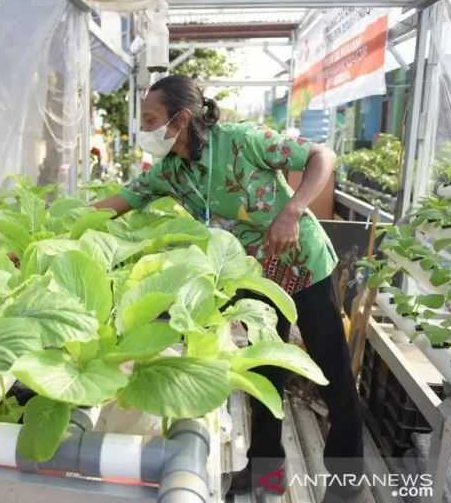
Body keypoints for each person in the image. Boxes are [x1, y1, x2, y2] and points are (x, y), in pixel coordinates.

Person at [94, 75, 363, 503]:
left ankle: (347, 488)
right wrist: (59, 229)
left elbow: (320, 155)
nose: (144, 130)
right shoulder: (170, 172)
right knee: (263, 375)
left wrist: (293, 209)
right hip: (252, 274)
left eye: (151, 119)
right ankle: (265, 475)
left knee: (332, 377)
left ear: (180, 119)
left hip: (303, 266)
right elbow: (117, 203)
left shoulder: (241, 140)